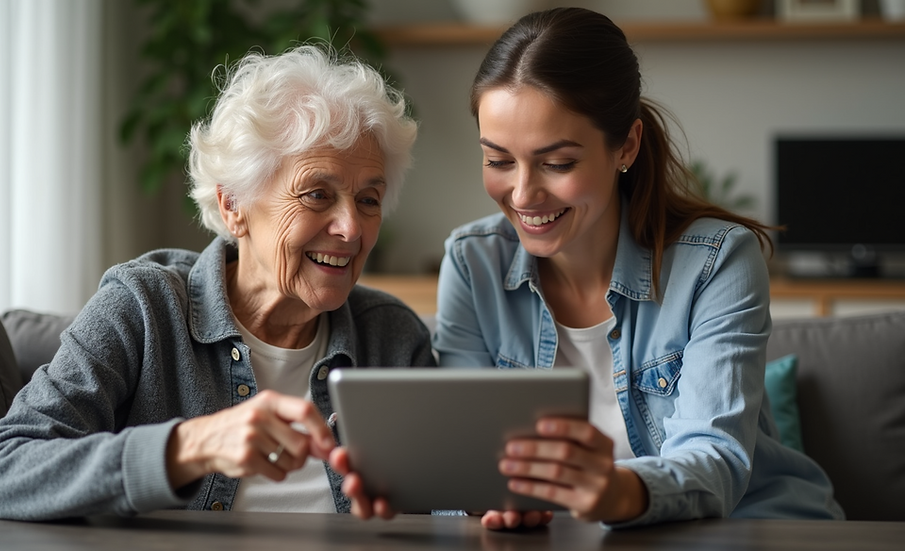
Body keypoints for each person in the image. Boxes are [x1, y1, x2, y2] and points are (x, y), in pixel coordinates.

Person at [335, 7, 843, 529]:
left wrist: (615, 490)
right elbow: (471, 459)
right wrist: (475, 494)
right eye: (499, 160)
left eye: (557, 163)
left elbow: (716, 461)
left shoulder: (718, 263)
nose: (524, 193)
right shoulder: (472, 263)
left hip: (749, 527)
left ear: (626, 145)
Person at [0, 44, 432, 520]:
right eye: (317, 194)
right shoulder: (142, 308)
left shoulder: (393, 338)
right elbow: (6, 468)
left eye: (369, 200)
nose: (351, 227)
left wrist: (485, 507)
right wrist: (188, 447)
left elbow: (446, 499)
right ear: (233, 205)